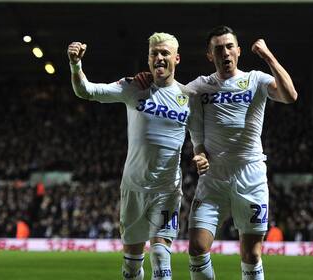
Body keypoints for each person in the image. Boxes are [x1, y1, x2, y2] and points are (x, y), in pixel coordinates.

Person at [67, 32, 208, 280]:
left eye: (165, 53)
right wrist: (75, 64)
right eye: (155, 53)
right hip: (133, 188)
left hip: (167, 189)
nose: (160, 58)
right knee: (132, 266)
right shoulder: (133, 86)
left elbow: (198, 140)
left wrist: (200, 156)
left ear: (177, 58)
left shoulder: (189, 99)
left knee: (161, 256)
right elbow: (85, 91)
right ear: (149, 58)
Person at [186, 25, 298, 280]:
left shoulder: (256, 80)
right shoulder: (200, 86)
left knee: (251, 254)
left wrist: (267, 55)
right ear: (209, 56)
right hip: (214, 177)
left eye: (229, 47)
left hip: (251, 176)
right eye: (218, 49)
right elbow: (171, 94)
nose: (224, 53)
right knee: (197, 247)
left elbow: (290, 95)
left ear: (238, 50)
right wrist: (199, 151)